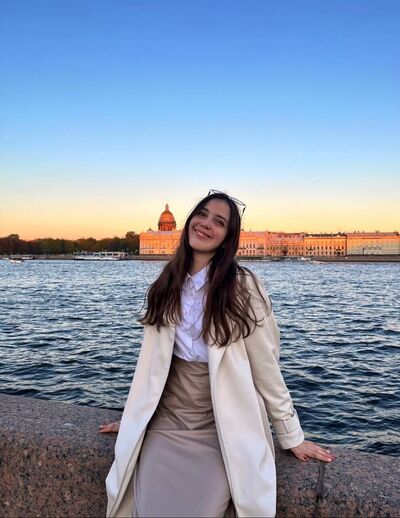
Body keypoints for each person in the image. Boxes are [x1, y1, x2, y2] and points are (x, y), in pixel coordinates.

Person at [100, 191, 334, 518]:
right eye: (202, 214)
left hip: (221, 427)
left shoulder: (244, 286)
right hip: (166, 422)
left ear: (227, 238)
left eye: (219, 222)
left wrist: (291, 434)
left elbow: (266, 367)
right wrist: (134, 418)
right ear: (188, 222)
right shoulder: (167, 281)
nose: (206, 224)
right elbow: (151, 366)